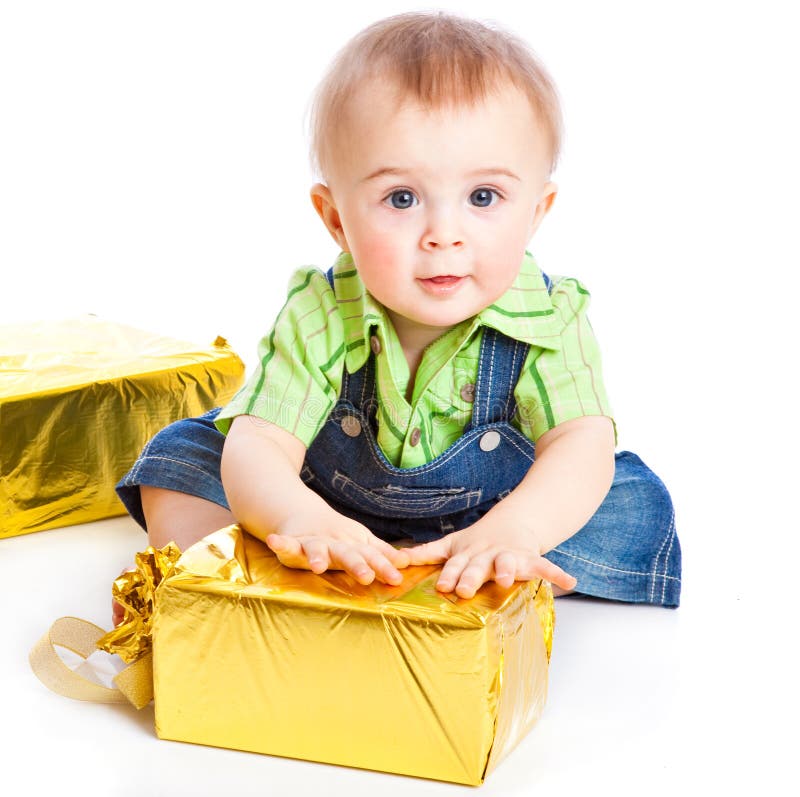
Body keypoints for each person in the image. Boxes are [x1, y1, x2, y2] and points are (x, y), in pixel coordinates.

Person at [114, 11, 681, 625]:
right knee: (184, 457)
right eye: (401, 199)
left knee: (623, 500)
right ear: (335, 219)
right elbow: (262, 444)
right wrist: (298, 517)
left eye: (483, 197)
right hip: (327, 505)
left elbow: (578, 443)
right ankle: (231, 576)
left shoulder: (551, 314)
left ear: (537, 210)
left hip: (492, 512)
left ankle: (490, 567)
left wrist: (517, 528)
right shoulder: (321, 309)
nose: (444, 235)